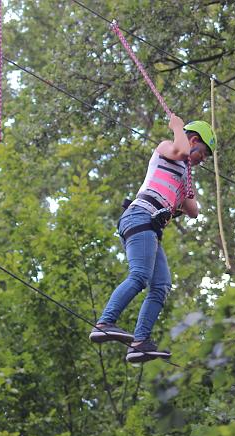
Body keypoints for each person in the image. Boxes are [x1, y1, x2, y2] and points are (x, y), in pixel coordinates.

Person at [89, 114, 217, 363]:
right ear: (193, 140)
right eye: (202, 153)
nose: (201, 160)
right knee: (139, 276)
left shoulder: (183, 173)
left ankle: (140, 342)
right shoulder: (165, 149)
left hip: (151, 228)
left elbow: (193, 210)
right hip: (139, 217)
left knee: (161, 285)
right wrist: (177, 127)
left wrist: (188, 183)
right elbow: (180, 149)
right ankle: (105, 322)